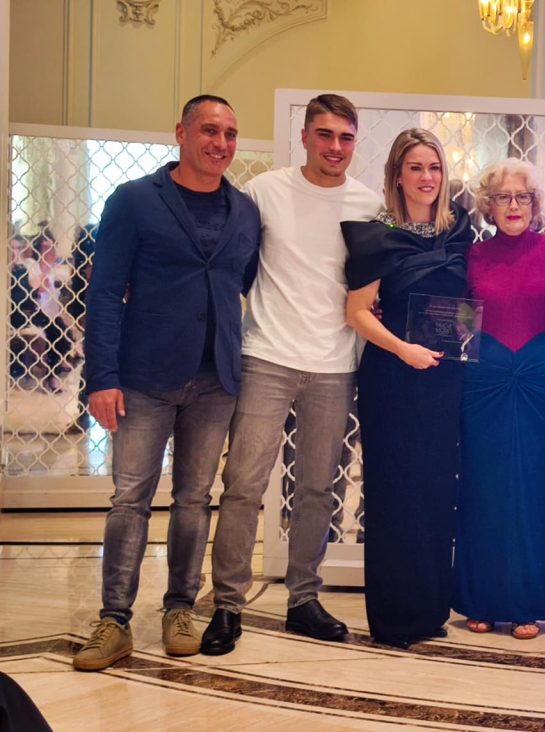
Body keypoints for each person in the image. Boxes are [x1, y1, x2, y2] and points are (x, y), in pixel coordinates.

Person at [73, 95, 260, 671]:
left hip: (215, 379)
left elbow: (242, 281)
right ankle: (114, 620)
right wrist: (101, 377)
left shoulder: (244, 211)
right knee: (129, 499)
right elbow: (105, 293)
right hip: (144, 377)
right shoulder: (134, 200)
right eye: (209, 130)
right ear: (181, 132)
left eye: (230, 133)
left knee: (194, 499)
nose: (221, 143)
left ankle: (179, 608)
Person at [200, 94, 383, 655]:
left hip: (334, 364)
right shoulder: (265, 191)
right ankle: (228, 604)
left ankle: (303, 598)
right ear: (304, 137)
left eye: (345, 137)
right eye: (324, 135)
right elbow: (234, 265)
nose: (335, 147)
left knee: (318, 490)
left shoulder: (369, 203)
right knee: (244, 485)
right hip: (267, 356)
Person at [343, 128, 474, 649]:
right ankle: (395, 618)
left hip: (446, 377)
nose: (427, 177)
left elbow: (466, 302)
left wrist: (467, 335)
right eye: (416, 167)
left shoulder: (460, 229)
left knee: (437, 490)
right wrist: (403, 349)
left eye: (434, 167)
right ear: (397, 174)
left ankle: (429, 609)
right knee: (395, 492)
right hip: (394, 376)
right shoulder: (377, 236)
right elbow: (356, 312)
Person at [452, 159, 545, 640]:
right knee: (482, 488)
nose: (514, 205)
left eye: (523, 197)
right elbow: (461, 318)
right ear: (489, 204)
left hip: (543, 384)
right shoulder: (473, 256)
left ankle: (528, 604)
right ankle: (480, 600)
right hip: (484, 383)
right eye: (503, 197)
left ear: (536, 203)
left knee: (538, 488)